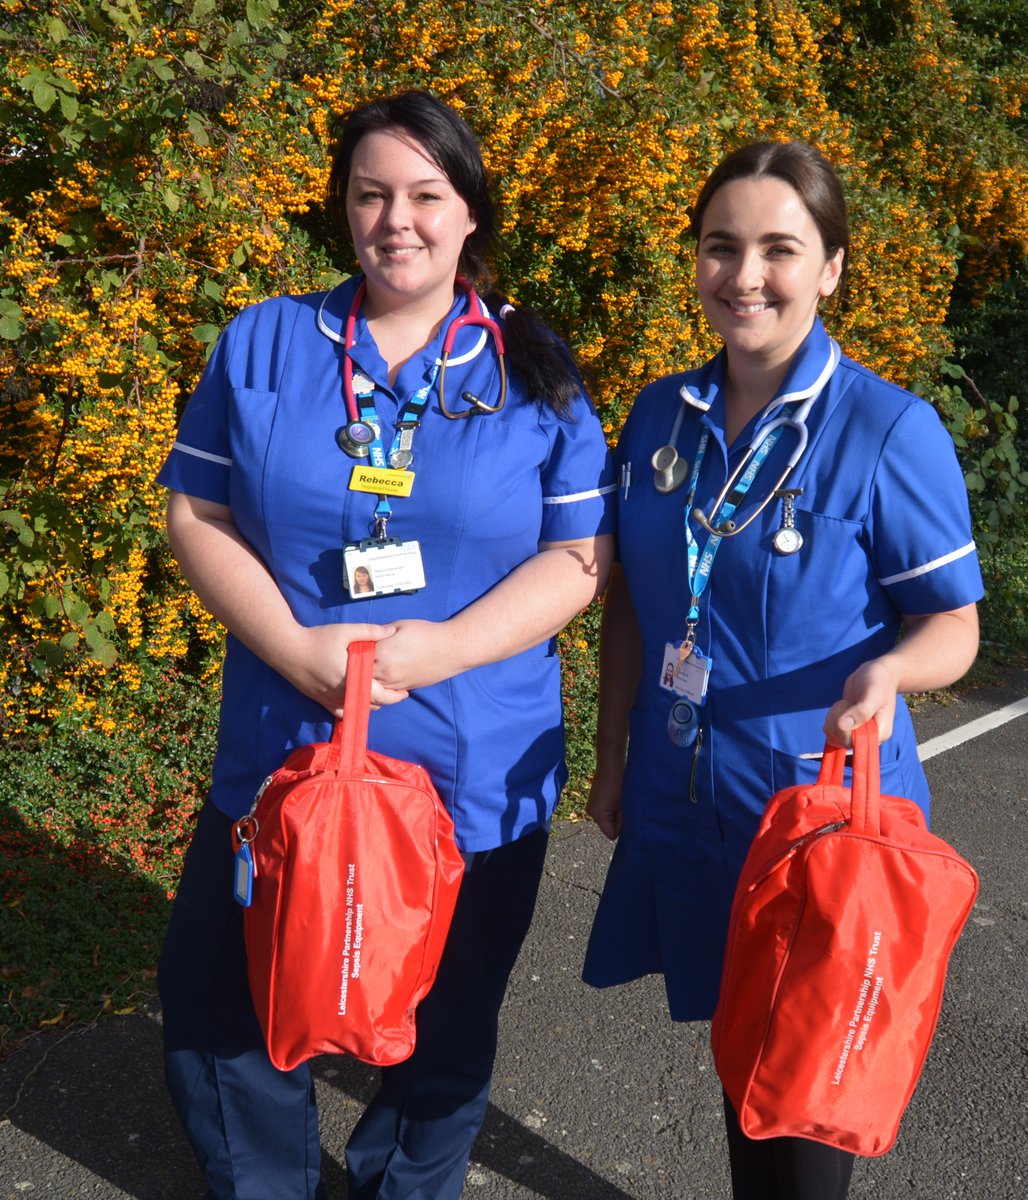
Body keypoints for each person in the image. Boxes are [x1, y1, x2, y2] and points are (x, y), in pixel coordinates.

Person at [157, 90, 615, 1200]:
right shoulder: (265, 341)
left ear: (470, 217)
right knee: (221, 1005)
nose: (396, 220)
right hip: (282, 751)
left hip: (469, 768)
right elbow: (196, 515)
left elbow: (580, 558)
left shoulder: (533, 365)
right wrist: (295, 646)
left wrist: (446, 649)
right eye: (371, 194)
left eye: (426, 194)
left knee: (442, 1025)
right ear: (342, 209)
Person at [581, 139, 982, 1199]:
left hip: (821, 816)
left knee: (807, 1096)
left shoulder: (889, 429)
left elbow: (953, 625)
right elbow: (634, 598)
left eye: (777, 249)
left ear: (832, 267)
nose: (744, 275)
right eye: (721, 247)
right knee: (740, 1056)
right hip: (694, 797)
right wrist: (611, 749)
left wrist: (892, 676)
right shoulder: (660, 415)